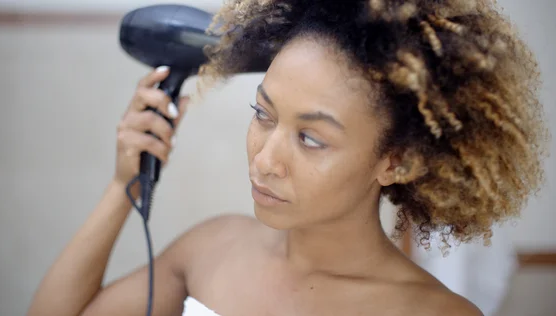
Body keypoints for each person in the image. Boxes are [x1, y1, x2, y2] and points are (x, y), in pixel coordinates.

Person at [27, 0, 549, 315]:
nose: (265, 160)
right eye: (263, 113)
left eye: (312, 139)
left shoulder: (435, 315)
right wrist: (125, 185)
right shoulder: (213, 248)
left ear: (399, 161)